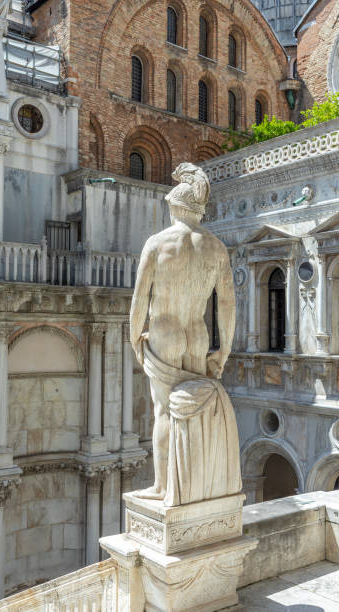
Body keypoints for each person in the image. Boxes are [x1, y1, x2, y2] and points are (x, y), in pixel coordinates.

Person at [130, 163, 241, 505]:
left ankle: (163, 487)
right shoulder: (216, 248)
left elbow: (138, 302)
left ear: (176, 207)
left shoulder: (157, 243)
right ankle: (190, 487)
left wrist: (135, 338)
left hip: (165, 334)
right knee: (191, 410)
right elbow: (227, 305)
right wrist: (224, 350)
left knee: (164, 411)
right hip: (198, 335)